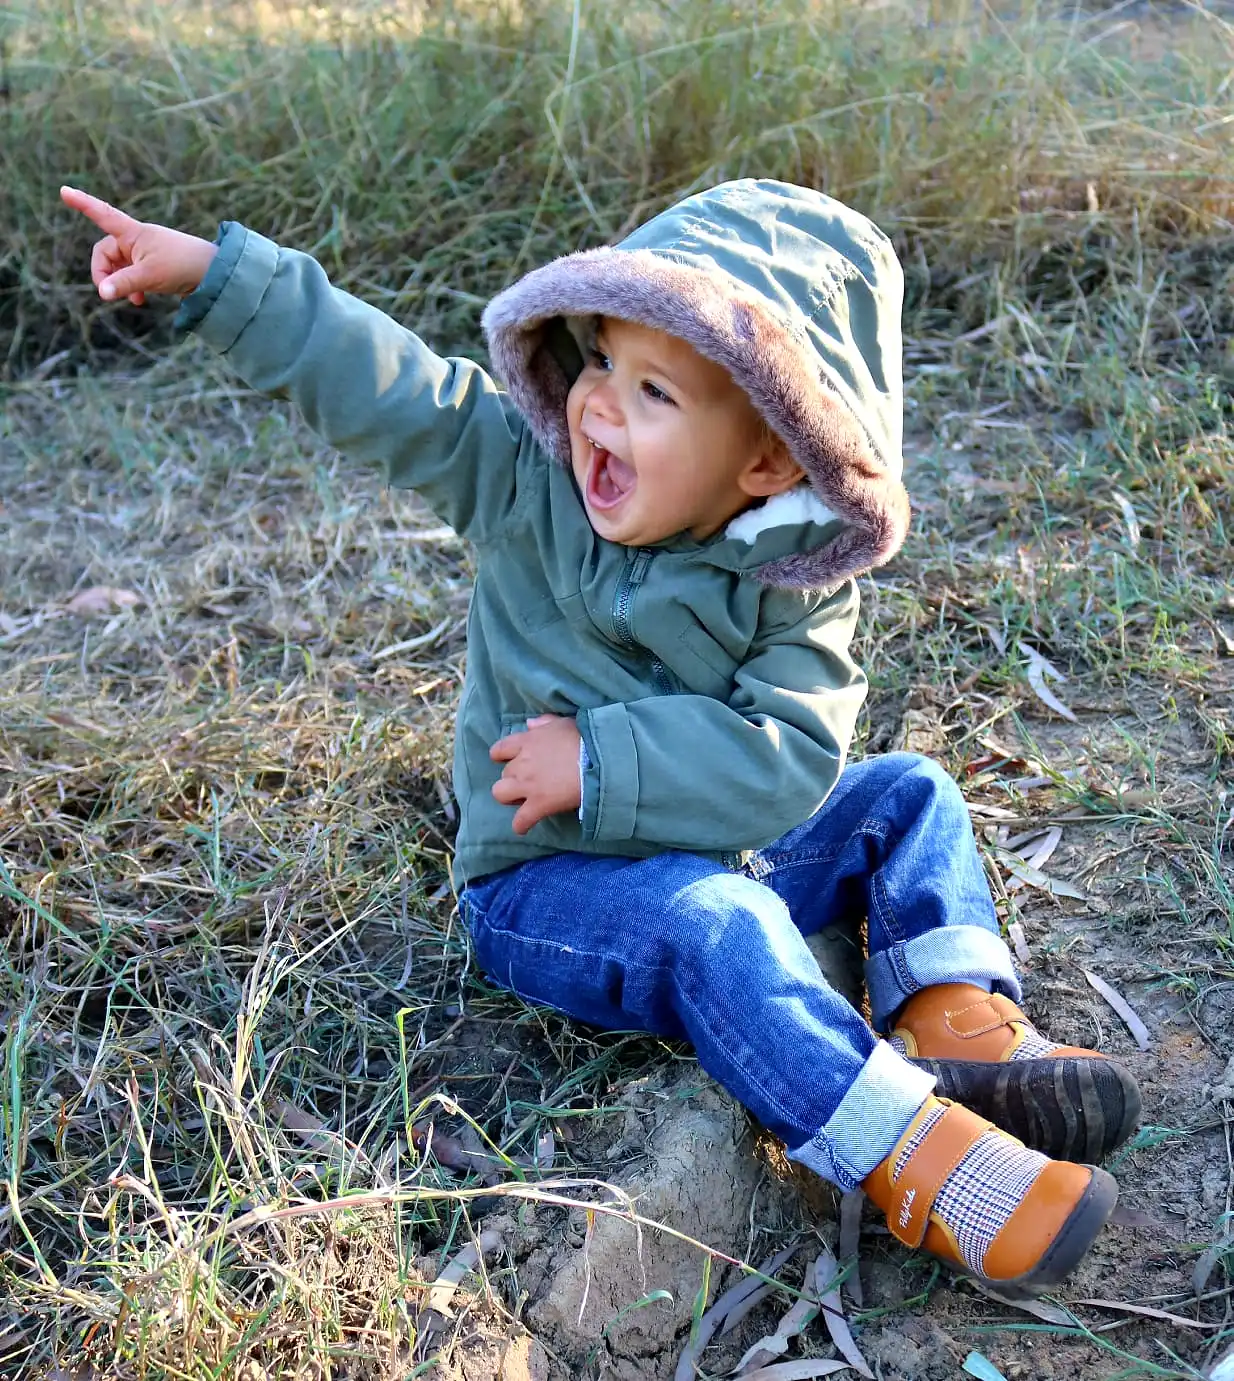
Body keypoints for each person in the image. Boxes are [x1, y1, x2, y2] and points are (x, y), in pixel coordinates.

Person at [62, 178, 1141, 1295]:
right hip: (546, 883)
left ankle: (956, 1018)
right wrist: (221, 275)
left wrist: (603, 756)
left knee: (906, 793)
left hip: (723, 840)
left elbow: (790, 757)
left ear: (769, 459)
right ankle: (915, 1158)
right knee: (716, 926)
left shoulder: (791, 572)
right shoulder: (519, 484)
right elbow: (381, 383)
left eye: (653, 389)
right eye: (596, 363)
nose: (597, 408)